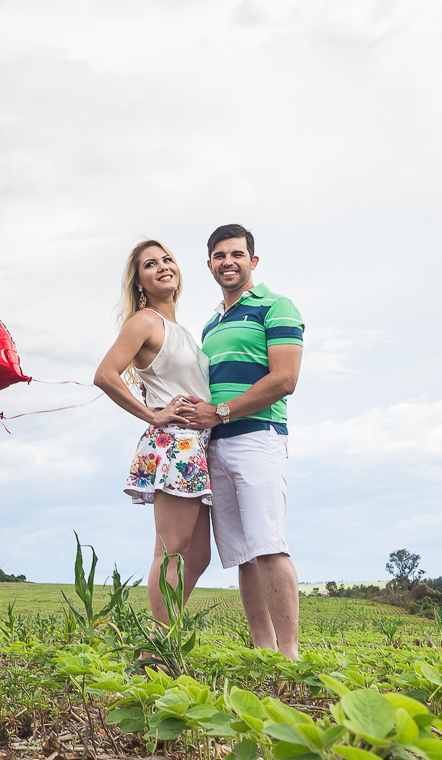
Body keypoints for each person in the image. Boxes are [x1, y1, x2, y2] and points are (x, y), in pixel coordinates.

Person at [183, 224, 304, 659]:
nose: (227, 262)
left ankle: (289, 655)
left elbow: (285, 379)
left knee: (268, 544)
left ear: (253, 261)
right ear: (210, 264)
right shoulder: (210, 324)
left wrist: (220, 412)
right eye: (219, 255)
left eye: (236, 254)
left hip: (258, 437)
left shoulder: (276, 306)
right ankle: (263, 651)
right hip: (215, 446)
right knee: (243, 556)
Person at [93, 239, 213, 625]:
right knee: (172, 551)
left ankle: (166, 632)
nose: (163, 267)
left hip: (197, 445)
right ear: (139, 283)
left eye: (167, 260)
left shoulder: (182, 330)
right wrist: (153, 415)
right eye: (150, 264)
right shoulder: (145, 322)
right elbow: (105, 375)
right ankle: (157, 648)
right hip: (175, 443)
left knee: (198, 556)